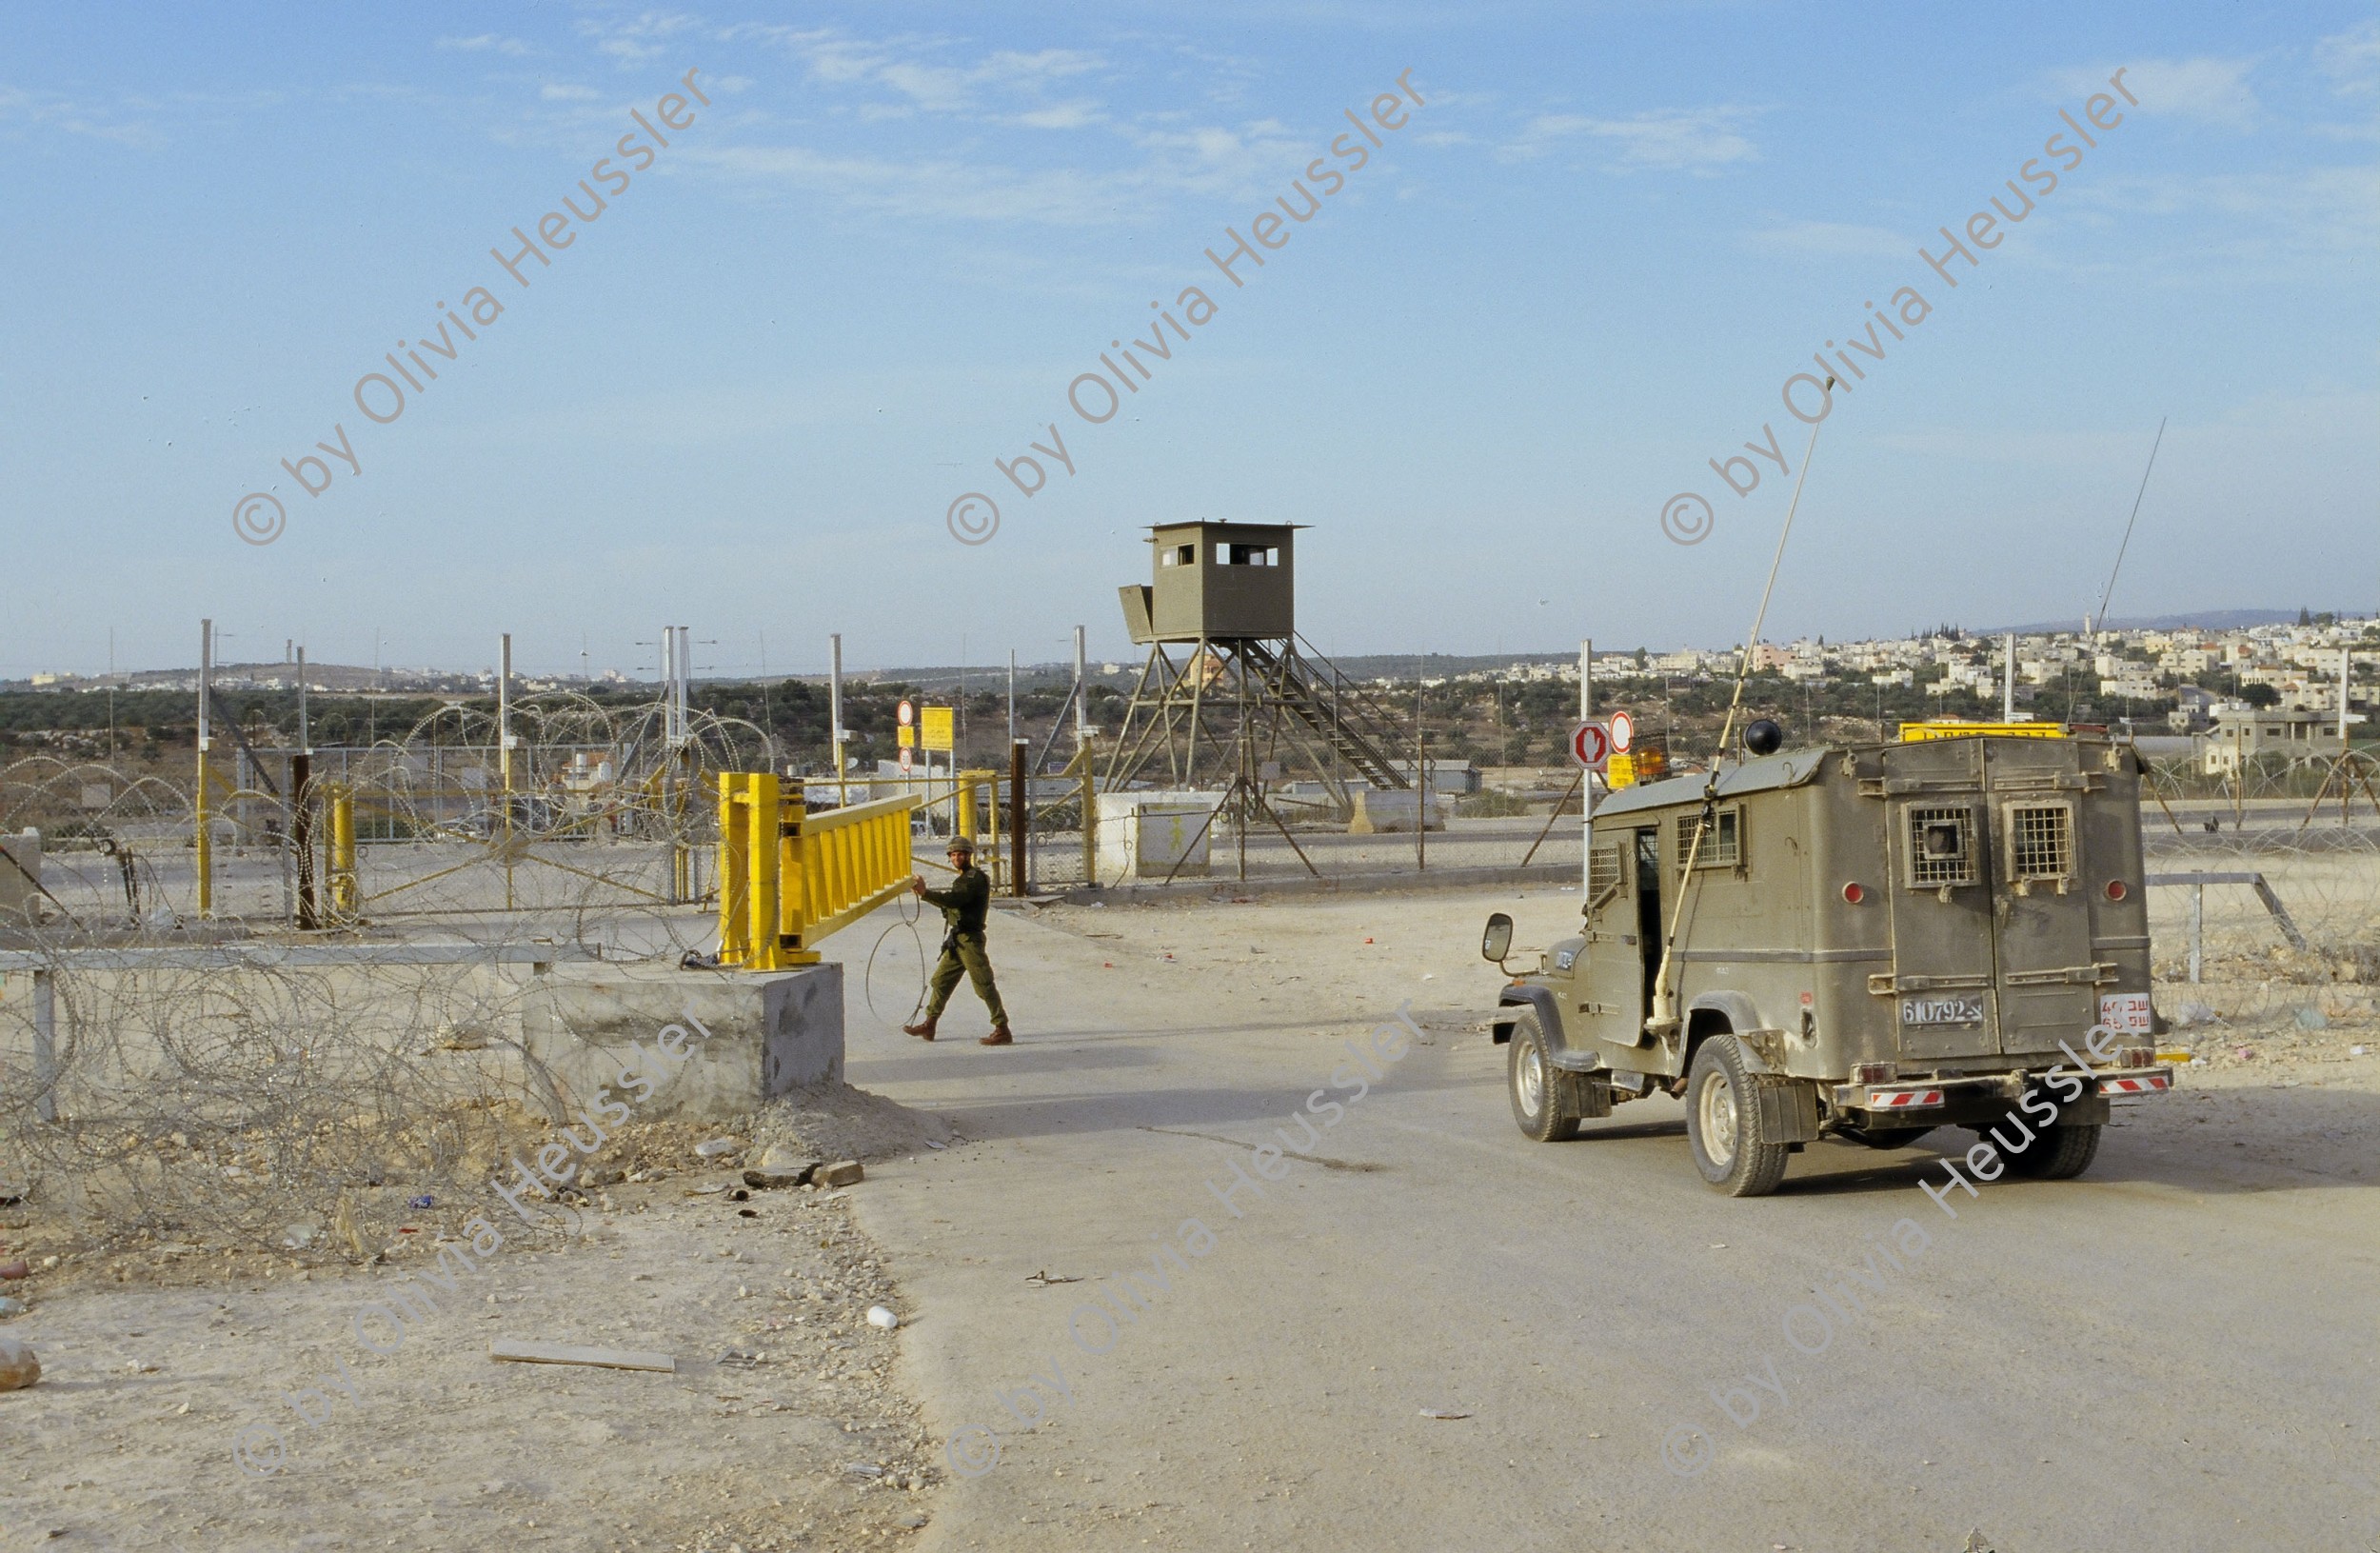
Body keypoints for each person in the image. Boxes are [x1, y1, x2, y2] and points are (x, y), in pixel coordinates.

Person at [903, 834, 1014, 1045]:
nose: (956, 858)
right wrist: (926, 895)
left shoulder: (974, 878)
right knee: (941, 981)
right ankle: (930, 1023)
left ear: (968, 856)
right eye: (953, 855)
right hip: (958, 940)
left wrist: (926, 893)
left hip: (970, 940)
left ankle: (1002, 1028)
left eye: (960, 854)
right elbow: (951, 905)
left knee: (983, 984)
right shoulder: (963, 879)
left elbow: (955, 900)